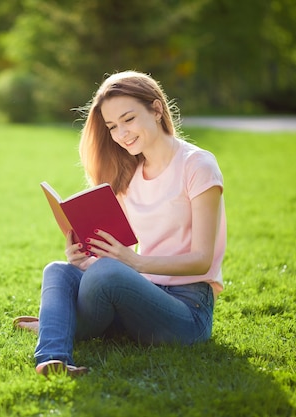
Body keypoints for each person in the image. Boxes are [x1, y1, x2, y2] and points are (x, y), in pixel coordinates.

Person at [14, 70, 226, 377]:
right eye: (112, 126)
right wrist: (85, 259)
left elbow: (202, 259)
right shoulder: (129, 174)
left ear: (156, 109)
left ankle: (55, 320)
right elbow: (113, 264)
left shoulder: (197, 165)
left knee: (107, 270)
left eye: (128, 119)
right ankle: (53, 355)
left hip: (188, 311)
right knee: (58, 270)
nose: (121, 133)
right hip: (141, 294)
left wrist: (134, 262)